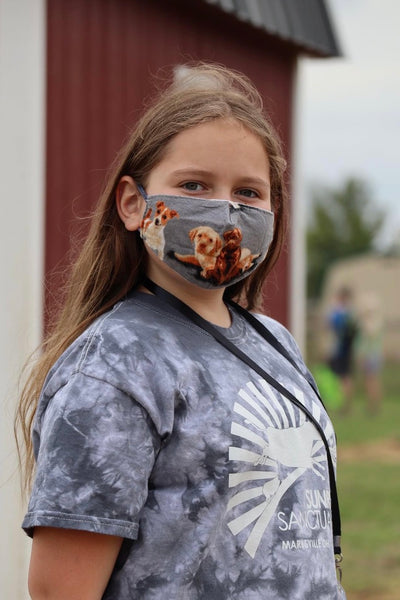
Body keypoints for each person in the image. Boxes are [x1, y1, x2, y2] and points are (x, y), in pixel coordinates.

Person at [16, 63, 345, 599]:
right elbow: (61, 591)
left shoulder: (274, 341)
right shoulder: (115, 365)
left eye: (249, 191)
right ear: (131, 203)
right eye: (194, 185)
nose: (224, 210)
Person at [327, 286, 358, 414]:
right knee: (346, 377)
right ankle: (346, 404)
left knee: (341, 378)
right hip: (348, 349)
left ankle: (342, 405)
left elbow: (331, 325)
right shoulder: (351, 313)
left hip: (340, 350)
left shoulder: (340, 313)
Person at [356, 292, 384, 414]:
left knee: (371, 381)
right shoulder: (378, 322)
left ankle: (373, 405)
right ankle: (373, 404)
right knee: (372, 380)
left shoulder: (371, 323)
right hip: (375, 354)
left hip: (370, 355)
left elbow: (368, 337)